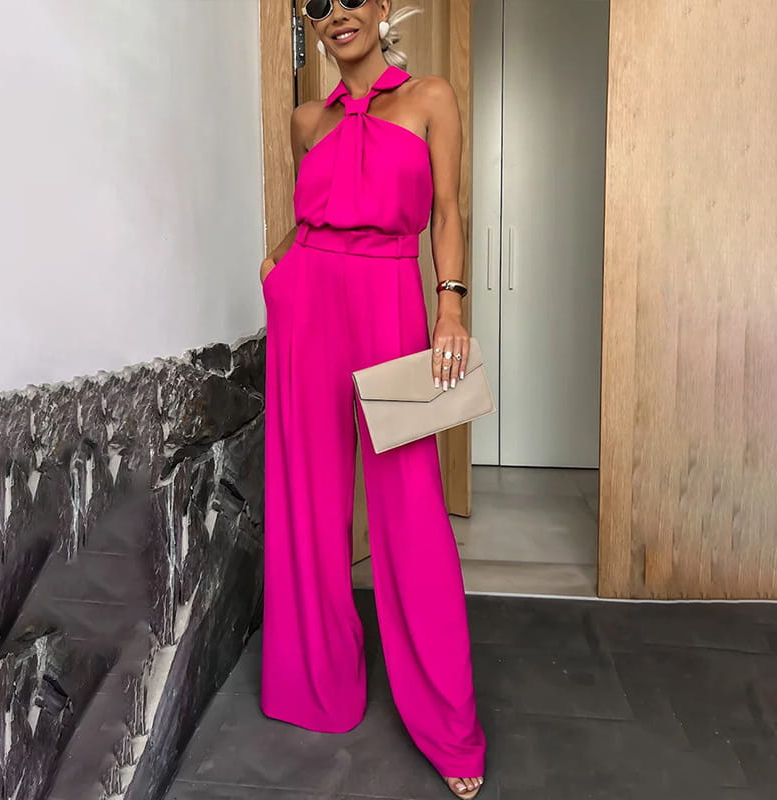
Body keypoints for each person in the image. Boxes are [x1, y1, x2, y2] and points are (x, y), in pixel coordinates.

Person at [258, 1, 486, 797]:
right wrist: (276, 266)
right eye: (318, 5)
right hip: (308, 310)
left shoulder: (431, 97)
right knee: (309, 500)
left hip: (391, 301)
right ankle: (317, 687)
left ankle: (449, 726)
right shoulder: (305, 120)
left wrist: (449, 305)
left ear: (382, 7)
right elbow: (308, 219)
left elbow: (448, 211)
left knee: (411, 506)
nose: (336, 14)